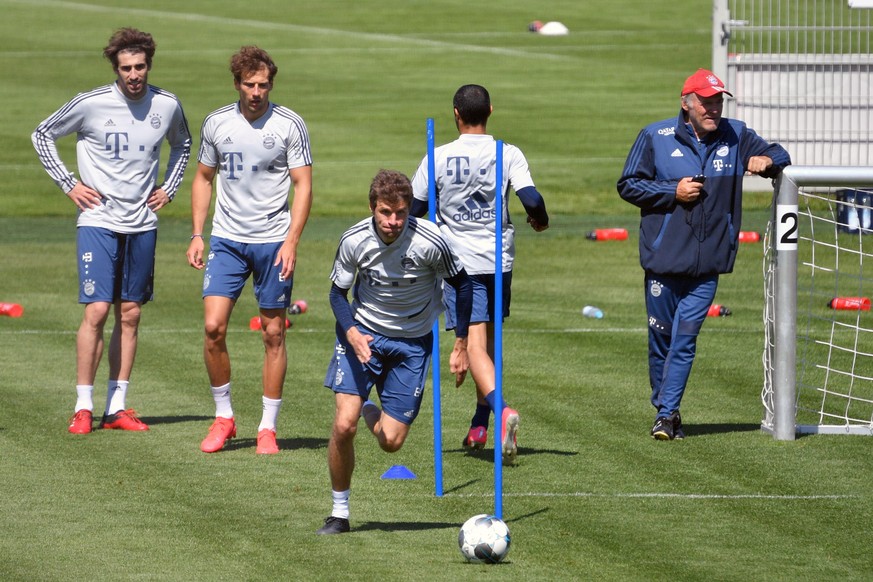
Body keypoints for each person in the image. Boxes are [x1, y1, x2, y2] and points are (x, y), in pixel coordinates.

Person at [32, 28, 192, 435]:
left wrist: (169, 189)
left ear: (149, 65)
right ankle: (83, 406)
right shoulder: (91, 103)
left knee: (131, 313)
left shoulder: (167, 105)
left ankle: (116, 407)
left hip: (142, 222)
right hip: (98, 220)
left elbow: (183, 145)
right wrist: (69, 184)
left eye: (139, 67)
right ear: (115, 68)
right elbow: (42, 134)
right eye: (126, 68)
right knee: (98, 310)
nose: (134, 74)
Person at [617, 68, 791, 440]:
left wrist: (767, 162)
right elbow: (628, 185)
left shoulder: (736, 134)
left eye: (717, 102)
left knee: (685, 338)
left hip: (709, 262)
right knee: (660, 341)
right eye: (706, 102)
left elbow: (779, 152)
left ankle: (665, 414)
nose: (713, 109)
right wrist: (672, 192)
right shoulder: (655, 136)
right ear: (686, 103)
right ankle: (667, 407)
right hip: (662, 261)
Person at [317, 169, 472, 535]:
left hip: (412, 343)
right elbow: (337, 295)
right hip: (363, 336)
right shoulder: (354, 240)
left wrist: (461, 343)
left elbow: (462, 285)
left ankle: (370, 407)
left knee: (391, 442)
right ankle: (339, 513)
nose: (393, 221)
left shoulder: (432, 241)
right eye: (386, 212)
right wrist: (352, 333)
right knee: (344, 424)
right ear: (373, 207)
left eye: (401, 213)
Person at [409, 84, 549, 464]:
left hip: (459, 267)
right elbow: (531, 199)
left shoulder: (438, 156)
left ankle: (502, 411)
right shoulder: (508, 152)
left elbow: (415, 208)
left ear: (455, 113)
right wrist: (540, 219)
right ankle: (479, 422)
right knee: (487, 346)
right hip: (499, 263)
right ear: (490, 110)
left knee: (473, 347)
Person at [186, 46, 313, 455]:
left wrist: (292, 240)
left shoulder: (290, 125)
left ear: (270, 85)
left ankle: (267, 428)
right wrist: (197, 233)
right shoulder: (217, 123)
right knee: (213, 328)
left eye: (262, 85)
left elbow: (303, 185)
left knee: (274, 332)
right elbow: (204, 177)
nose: (256, 92)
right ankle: (224, 417)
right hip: (227, 240)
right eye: (249, 84)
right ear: (237, 83)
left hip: (274, 241)